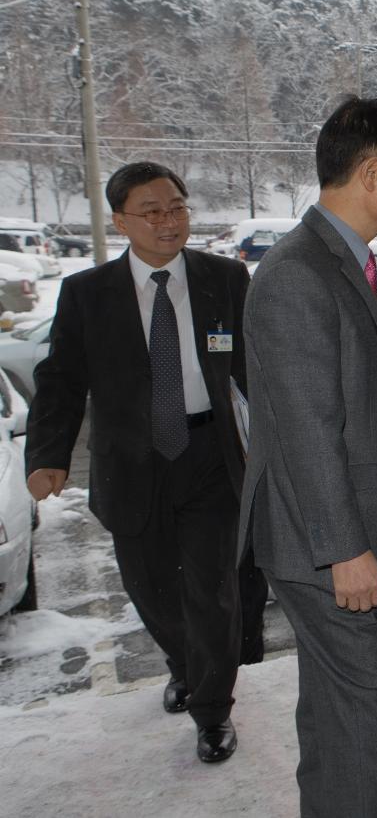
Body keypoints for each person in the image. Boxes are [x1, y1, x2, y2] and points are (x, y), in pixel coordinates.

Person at [238, 97, 377, 818]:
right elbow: (307, 424)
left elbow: (369, 388)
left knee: (335, 710)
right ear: (371, 172)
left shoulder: (345, 260)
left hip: (336, 535)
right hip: (320, 547)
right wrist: (344, 550)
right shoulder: (298, 274)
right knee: (372, 714)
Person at [25, 161, 268, 763]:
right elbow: (60, 381)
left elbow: (254, 369)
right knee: (151, 587)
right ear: (120, 221)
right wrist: (48, 456)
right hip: (131, 463)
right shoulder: (88, 293)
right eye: (152, 212)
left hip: (210, 455)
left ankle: (213, 710)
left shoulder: (225, 278)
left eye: (177, 208)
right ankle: (185, 664)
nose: (168, 222)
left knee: (214, 590)